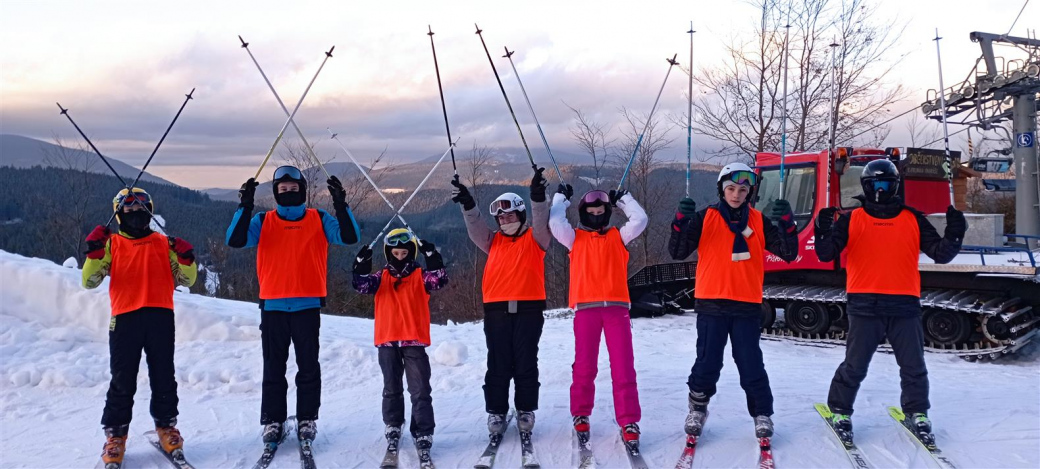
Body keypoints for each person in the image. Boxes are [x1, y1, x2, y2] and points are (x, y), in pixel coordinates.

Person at [815, 159, 966, 443]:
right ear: (866, 187)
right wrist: (822, 231)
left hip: (903, 304)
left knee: (913, 365)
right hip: (865, 304)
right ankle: (840, 410)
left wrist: (955, 233)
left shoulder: (913, 219)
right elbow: (825, 254)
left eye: (886, 184)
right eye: (876, 185)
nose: (881, 190)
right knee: (855, 365)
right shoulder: (851, 219)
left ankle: (917, 412)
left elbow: (940, 254)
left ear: (895, 186)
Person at [225, 165, 360, 445]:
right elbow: (235, 240)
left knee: (308, 367)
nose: (288, 193)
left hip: (307, 306)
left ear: (303, 191)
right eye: (283, 190)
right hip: (273, 306)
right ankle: (274, 421)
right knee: (274, 368)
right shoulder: (263, 221)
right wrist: (244, 206)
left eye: (293, 189)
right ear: (275, 193)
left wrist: (340, 203)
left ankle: (307, 419)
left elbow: (349, 237)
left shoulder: (318, 218)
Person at [667, 163, 799, 439]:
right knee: (707, 362)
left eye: (742, 189)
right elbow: (678, 252)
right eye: (731, 189)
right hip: (711, 303)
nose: (736, 195)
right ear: (721, 190)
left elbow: (788, 253)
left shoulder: (759, 221)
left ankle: (762, 413)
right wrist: (681, 221)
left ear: (749, 192)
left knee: (750, 363)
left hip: (746, 304)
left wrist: (787, 224)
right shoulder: (705, 218)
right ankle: (698, 407)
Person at [83, 188, 197, 467]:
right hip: (125, 318)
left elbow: (188, 279)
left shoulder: (163, 243)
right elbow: (89, 281)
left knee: (163, 375)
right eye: (128, 211)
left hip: (159, 316)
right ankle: (116, 436)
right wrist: (95, 253)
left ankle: (167, 427)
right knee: (122, 380)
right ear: (119, 214)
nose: (134, 215)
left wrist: (186, 257)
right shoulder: (112, 244)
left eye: (140, 210)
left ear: (149, 212)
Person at [449, 168, 552, 437]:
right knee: (498, 362)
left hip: (529, 308)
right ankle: (496, 411)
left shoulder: (536, 239)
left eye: (509, 215)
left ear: (520, 215)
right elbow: (475, 227)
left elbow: (541, 220)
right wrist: (468, 204)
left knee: (526, 361)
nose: (504, 220)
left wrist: (538, 197)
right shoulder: (492, 242)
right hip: (496, 309)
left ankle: (526, 409)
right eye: (500, 216)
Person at [548, 183, 648, 446]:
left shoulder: (619, 236)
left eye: (600, 209)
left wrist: (625, 199)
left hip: (617, 310)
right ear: (583, 213)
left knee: (623, 366)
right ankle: (581, 413)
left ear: (606, 212)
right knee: (584, 366)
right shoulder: (574, 239)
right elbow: (556, 223)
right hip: (586, 310)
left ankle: (628, 420)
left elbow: (640, 220)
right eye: (590, 210)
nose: (595, 213)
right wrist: (560, 200)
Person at [352, 229, 448, 454]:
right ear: (388, 253)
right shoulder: (380, 277)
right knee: (391, 387)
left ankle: (423, 430)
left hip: (413, 340)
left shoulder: (420, 275)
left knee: (420, 388)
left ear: (412, 252)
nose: (400, 256)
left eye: (405, 252)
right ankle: (393, 424)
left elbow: (439, 279)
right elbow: (361, 285)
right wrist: (361, 265)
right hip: (387, 341)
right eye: (395, 252)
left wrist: (433, 257)